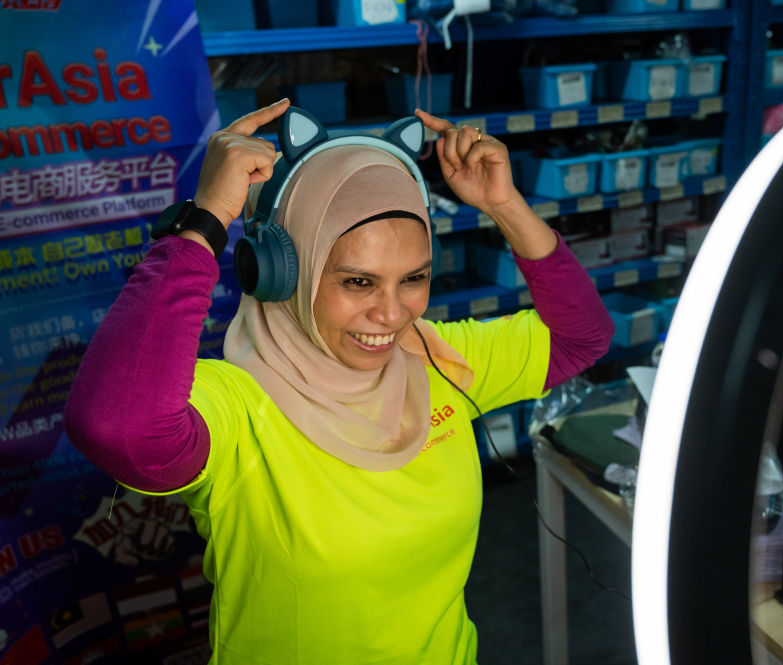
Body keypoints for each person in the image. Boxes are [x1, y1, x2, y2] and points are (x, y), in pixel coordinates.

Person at [64, 97, 614, 665]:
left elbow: (582, 337)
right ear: (281, 273)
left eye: (414, 278)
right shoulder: (238, 408)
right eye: (358, 282)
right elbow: (119, 430)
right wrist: (203, 222)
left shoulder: (435, 360)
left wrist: (504, 205)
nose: (393, 314)